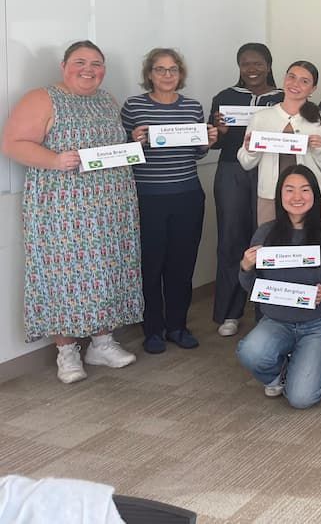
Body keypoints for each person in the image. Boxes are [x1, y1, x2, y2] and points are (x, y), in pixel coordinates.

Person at [1, 41, 142, 383]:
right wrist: (54, 160)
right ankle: (66, 352)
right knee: (63, 276)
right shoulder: (42, 98)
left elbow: (107, 147)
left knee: (109, 269)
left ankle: (102, 342)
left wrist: (132, 140)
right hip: (62, 209)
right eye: (80, 62)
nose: (88, 69)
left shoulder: (106, 100)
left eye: (96, 63)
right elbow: (11, 143)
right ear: (64, 65)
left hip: (111, 206)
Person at [122, 47, 218, 354]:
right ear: (149, 74)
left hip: (187, 196)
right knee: (150, 266)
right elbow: (121, 152)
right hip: (148, 198)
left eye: (173, 69)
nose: (167, 75)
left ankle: (177, 325)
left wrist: (207, 142)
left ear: (180, 74)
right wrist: (130, 140)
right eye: (160, 69)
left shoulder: (192, 107)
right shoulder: (133, 106)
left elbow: (196, 152)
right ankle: (152, 329)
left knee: (181, 265)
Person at [236, 165, 321, 408]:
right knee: (249, 352)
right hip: (276, 321)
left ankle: (303, 364)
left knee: (301, 398)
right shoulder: (265, 234)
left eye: (305, 190)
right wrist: (245, 266)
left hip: (317, 324)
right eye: (289, 190)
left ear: (314, 195)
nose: (297, 197)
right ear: (280, 195)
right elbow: (251, 285)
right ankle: (283, 371)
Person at [209, 43, 283, 338]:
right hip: (232, 172)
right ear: (239, 66)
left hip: (272, 173)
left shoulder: (282, 98)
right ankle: (229, 311)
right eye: (245, 64)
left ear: (269, 65)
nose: (252, 70)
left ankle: (266, 311)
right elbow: (210, 142)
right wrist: (219, 133)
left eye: (258, 64)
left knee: (267, 241)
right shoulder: (224, 98)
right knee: (231, 239)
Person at [238, 61, 321, 227]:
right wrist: (250, 150)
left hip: (315, 198)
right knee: (272, 248)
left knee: (316, 249)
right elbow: (245, 162)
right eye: (291, 77)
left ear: (313, 89)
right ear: (284, 78)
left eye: (304, 81)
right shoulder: (261, 118)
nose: (295, 84)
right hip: (271, 197)